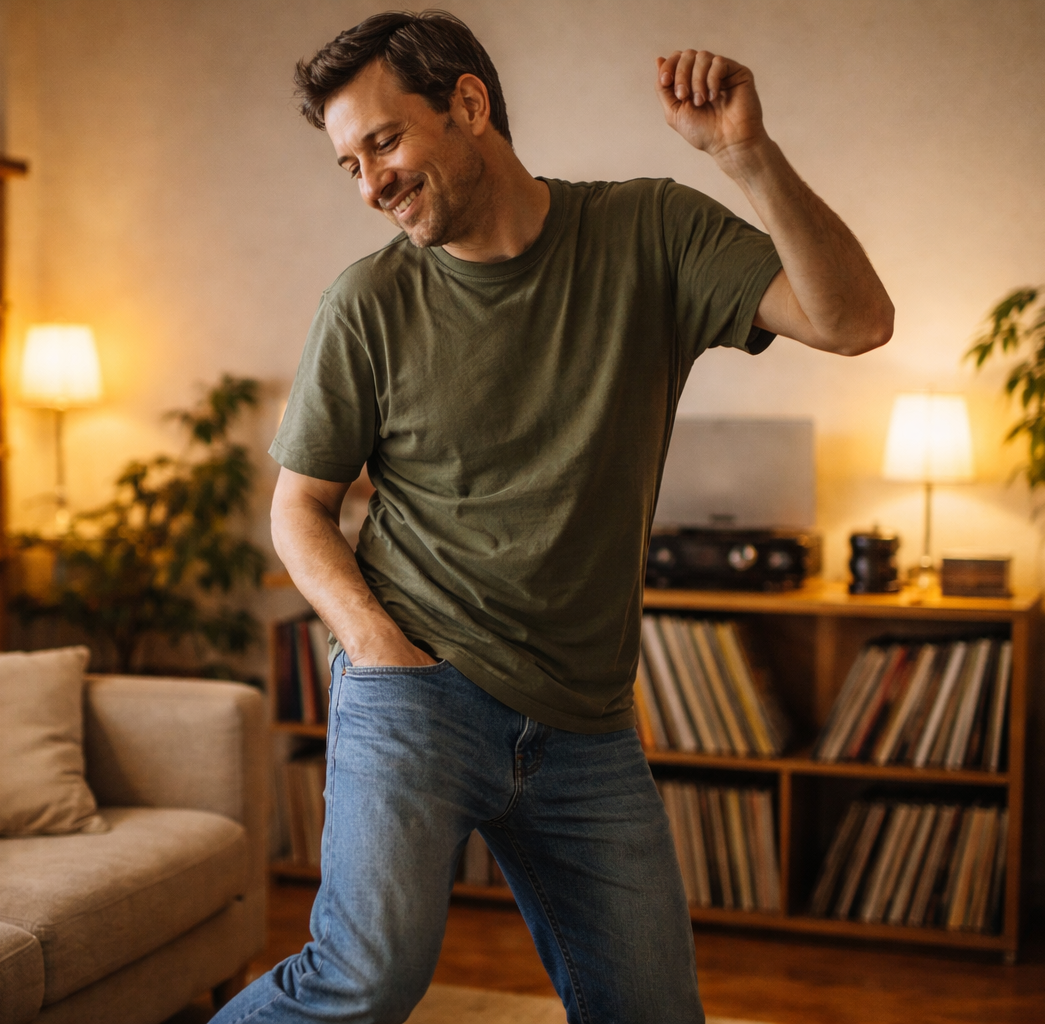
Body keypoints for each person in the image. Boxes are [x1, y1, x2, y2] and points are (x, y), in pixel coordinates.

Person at [216, 11, 892, 1024]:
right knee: (362, 982)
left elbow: (855, 321)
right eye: (349, 163)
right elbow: (298, 510)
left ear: (470, 105)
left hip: (586, 720)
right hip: (418, 691)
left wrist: (747, 157)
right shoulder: (365, 304)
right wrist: (377, 648)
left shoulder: (649, 232)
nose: (370, 184)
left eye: (386, 143)